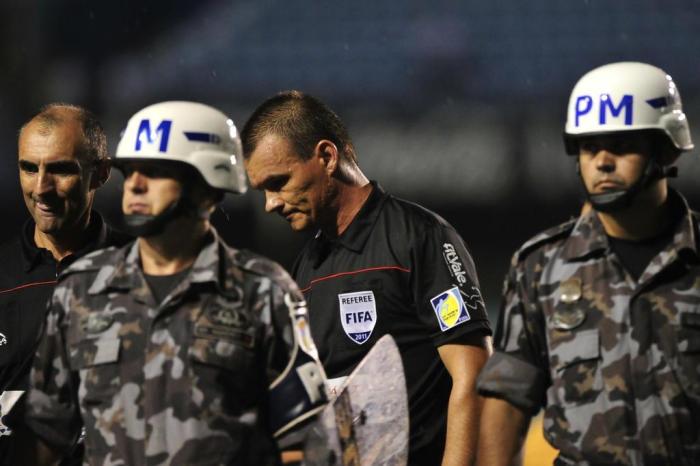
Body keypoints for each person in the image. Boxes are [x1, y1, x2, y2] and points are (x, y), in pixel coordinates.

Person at [22, 101, 325, 465]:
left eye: (153, 172)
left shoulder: (262, 292)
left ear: (207, 188)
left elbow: (304, 443)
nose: (134, 186)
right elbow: (43, 437)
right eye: (129, 172)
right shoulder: (79, 292)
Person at [243, 90, 493, 466]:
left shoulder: (418, 237)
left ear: (327, 157)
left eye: (278, 182)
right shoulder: (305, 268)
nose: (270, 203)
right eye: (263, 190)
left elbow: (473, 374)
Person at [476, 62, 700, 466]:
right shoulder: (540, 267)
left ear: (666, 149)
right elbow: (506, 402)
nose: (602, 161)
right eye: (589, 146)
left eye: (622, 144)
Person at [0, 103, 129, 463]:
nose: (41, 188)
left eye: (60, 169)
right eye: (29, 168)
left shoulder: (145, 273)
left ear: (101, 173)